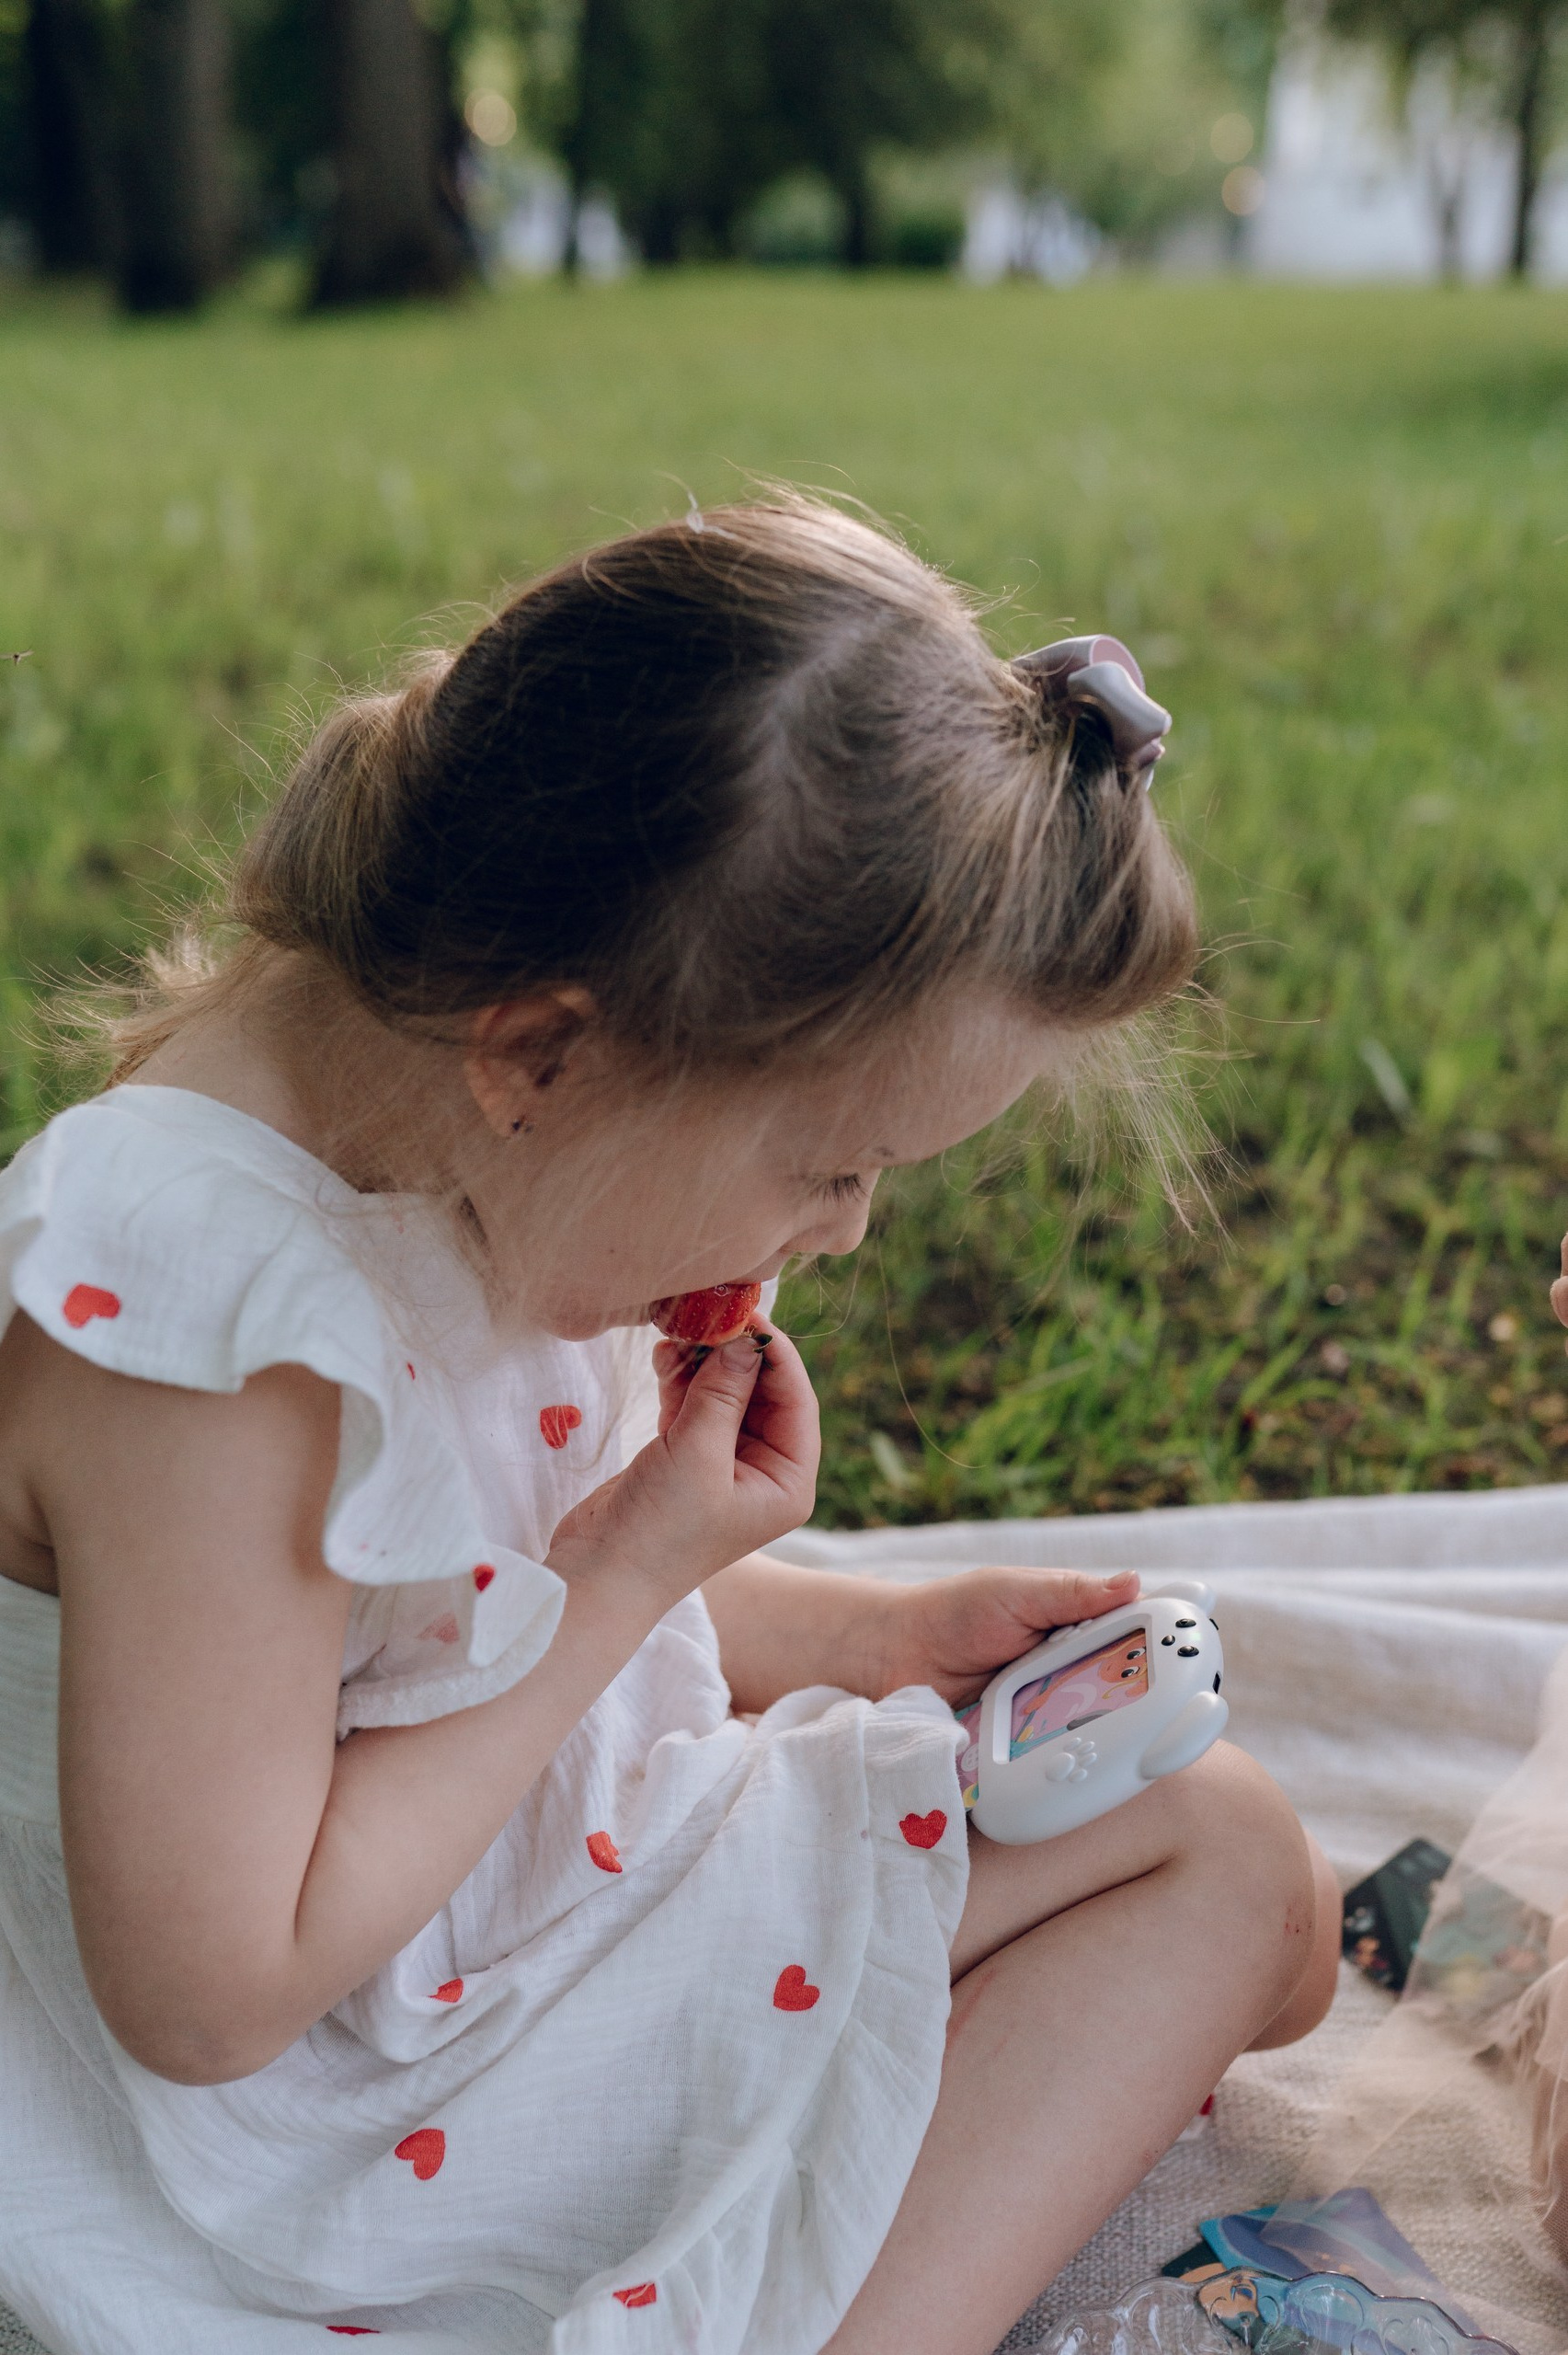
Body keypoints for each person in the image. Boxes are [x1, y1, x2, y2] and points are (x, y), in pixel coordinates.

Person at [0, 498, 1341, 2355]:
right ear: (545, 1052)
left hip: (482, 1933)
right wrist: (625, 1576)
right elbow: (211, 1992)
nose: (848, 1228)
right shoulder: (214, 1346)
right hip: (294, 2141)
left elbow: (432, 1614)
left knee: (1261, 1927)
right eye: (828, 1162)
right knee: (1220, 1865)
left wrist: (860, 1634)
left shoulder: (465, 1150)